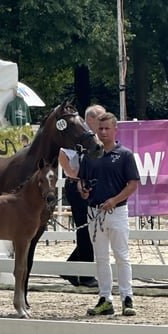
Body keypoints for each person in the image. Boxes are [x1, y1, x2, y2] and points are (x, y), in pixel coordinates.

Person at [79, 112, 140, 316]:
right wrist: (83, 190)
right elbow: (82, 180)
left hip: (117, 211)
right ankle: (105, 297)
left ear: (115, 130)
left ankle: (127, 297)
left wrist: (114, 200)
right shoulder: (89, 155)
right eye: (101, 128)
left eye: (107, 128)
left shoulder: (125, 155)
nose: (103, 132)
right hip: (94, 211)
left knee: (122, 256)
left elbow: (133, 184)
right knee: (101, 257)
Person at [58, 104, 106, 288]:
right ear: (91, 119)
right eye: (100, 119)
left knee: (93, 229)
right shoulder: (78, 136)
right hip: (77, 185)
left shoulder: (96, 139)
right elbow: (63, 155)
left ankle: (71, 267)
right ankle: (85, 275)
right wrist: (75, 175)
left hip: (92, 185)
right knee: (85, 228)